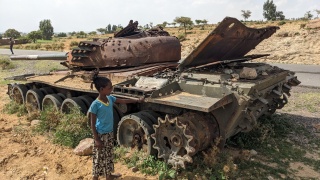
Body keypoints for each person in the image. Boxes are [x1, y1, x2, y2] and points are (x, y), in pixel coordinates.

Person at [89, 76, 143, 180]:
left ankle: (108, 175)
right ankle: (95, 177)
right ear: (101, 89)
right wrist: (96, 139)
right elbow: (92, 124)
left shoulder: (110, 98)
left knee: (108, 155)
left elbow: (122, 101)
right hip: (100, 135)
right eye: (109, 88)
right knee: (99, 156)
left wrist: (136, 100)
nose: (111, 89)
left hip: (109, 133)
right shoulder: (95, 105)